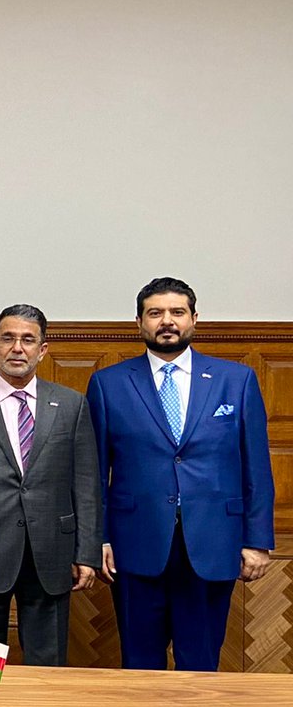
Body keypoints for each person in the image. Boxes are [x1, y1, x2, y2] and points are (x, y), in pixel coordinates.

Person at [87, 277, 275, 671]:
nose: (167, 321)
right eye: (155, 313)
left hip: (213, 543)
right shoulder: (108, 383)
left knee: (201, 664)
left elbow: (256, 466)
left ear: (194, 318)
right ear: (139, 322)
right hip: (134, 545)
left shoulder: (235, 380)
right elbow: (94, 472)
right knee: (139, 664)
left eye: (177, 312)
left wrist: (257, 540)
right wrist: (98, 537)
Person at [0, 304, 101, 665]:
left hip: (51, 554)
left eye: (28, 340)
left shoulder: (71, 405)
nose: (17, 348)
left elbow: (86, 486)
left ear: (42, 350)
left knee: (48, 666)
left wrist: (86, 553)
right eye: (8, 338)